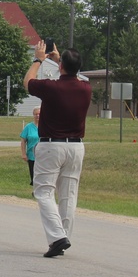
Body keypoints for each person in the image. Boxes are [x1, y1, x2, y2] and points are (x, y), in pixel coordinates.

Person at [23, 41, 92, 258]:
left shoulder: (51, 87)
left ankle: (57, 237)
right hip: (76, 147)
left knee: (43, 191)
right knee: (68, 195)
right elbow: (71, 76)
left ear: (61, 66)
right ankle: (63, 237)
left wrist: (39, 59)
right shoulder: (85, 88)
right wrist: (57, 62)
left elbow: (28, 82)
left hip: (52, 145)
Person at [20, 106, 41, 186]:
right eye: (36, 114)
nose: (37, 116)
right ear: (33, 115)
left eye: (39, 114)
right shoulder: (28, 127)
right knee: (33, 175)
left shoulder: (46, 126)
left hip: (44, 155)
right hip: (32, 155)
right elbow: (23, 141)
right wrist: (23, 153)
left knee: (42, 175)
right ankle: (35, 190)